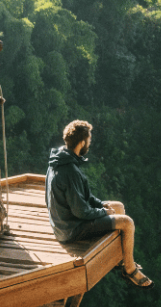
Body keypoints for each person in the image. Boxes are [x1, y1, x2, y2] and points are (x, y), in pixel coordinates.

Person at [45, 119, 152, 288]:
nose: (89, 144)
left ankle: (119, 258)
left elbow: (83, 196)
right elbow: (81, 211)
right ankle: (129, 269)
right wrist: (103, 212)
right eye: (88, 141)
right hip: (70, 229)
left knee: (118, 207)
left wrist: (103, 207)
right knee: (127, 223)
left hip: (65, 220)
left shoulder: (59, 159)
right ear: (82, 143)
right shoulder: (70, 171)